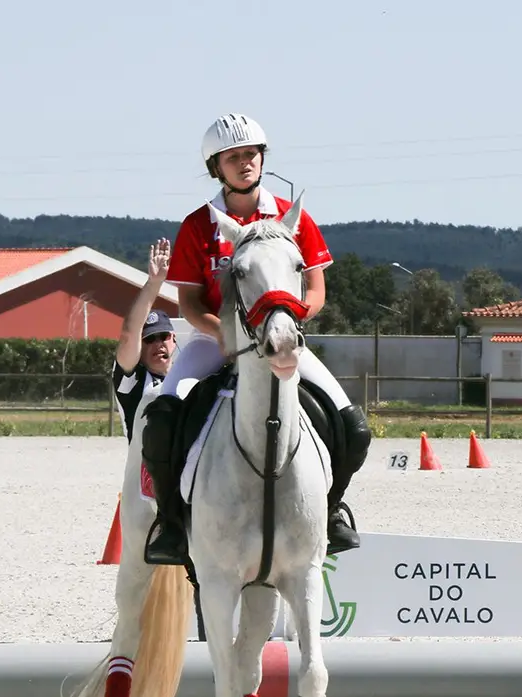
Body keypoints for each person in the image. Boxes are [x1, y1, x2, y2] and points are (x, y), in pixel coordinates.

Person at [138, 113, 372, 566]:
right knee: (163, 418)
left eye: (251, 155)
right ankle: (169, 523)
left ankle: (333, 508)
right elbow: (188, 304)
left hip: (281, 338)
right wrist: (224, 335)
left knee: (353, 426)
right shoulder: (197, 225)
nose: (244, 163)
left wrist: (286, 326)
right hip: (214, 340)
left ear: (262, 159)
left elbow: (317, 291)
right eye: (233, 157)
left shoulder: (292, 218)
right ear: (217, 167)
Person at [112, 239, 176, 442]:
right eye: (149, 339)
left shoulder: (190, 373)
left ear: (174, 340)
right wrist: (154, 283)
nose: (158, 344)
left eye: (164, 336)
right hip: (145, 470)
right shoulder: (133, 380)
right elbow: (130, 335)